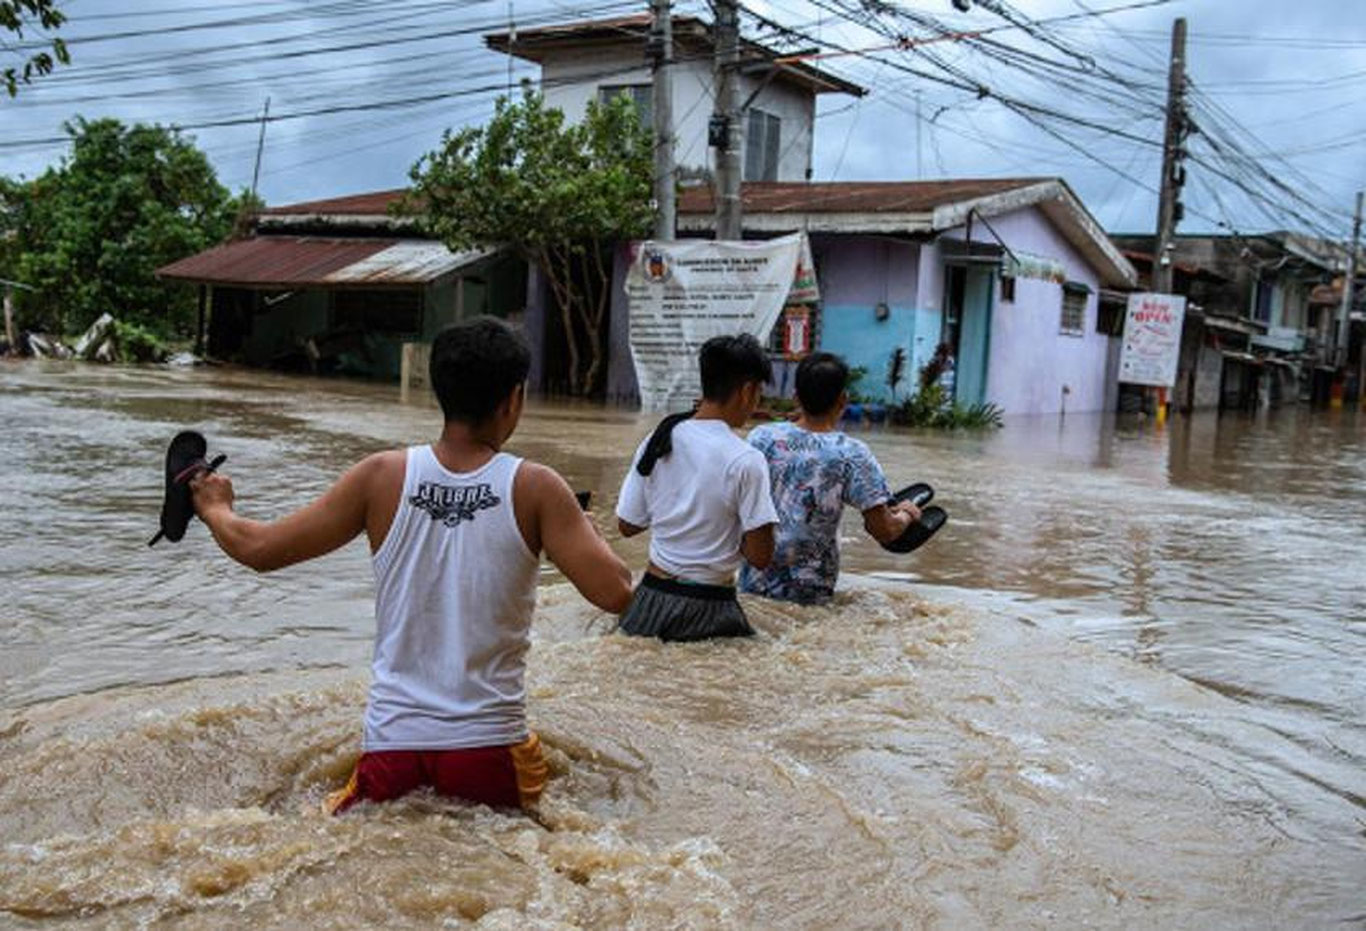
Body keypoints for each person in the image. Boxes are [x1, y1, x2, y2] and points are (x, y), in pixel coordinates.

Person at [189, 316, 633, 814]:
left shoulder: (379, 476)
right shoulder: (538, 487)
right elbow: (616, 593)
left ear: (437, 391)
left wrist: (215, 508)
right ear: (514, 400)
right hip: (490, 750)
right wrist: (586, 530)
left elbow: (259, 549)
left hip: (391, 747)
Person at [615, 333, 779, 641]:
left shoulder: (659, 438)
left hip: (649, 600)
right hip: (710, 608)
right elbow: (761, 556)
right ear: (747, 391)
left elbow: (626, 525)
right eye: (759, 393)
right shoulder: (746, 459)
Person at [739, 351, 921, 605]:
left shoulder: (762, 438)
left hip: (752, 587)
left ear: (795, 397)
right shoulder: (852, 454)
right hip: (810, 594)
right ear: (843, 400)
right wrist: (907, 515)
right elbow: (883, 529)